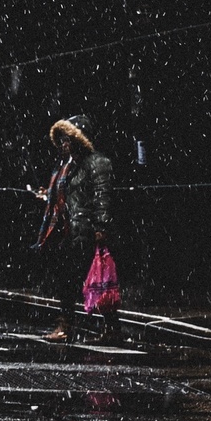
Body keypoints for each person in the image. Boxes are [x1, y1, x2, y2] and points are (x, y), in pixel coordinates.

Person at [33, 114, 120, 343]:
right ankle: (68, 325)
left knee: (97, 280)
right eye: (61, 140)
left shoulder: (96, 163)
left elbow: (103, 196)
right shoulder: (67, 166)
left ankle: (109, 327)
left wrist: (101, 227)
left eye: (67, 139)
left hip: (86, 231)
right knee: (68, 281)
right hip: (68, 231)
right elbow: (67, 196)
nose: (63, 144)